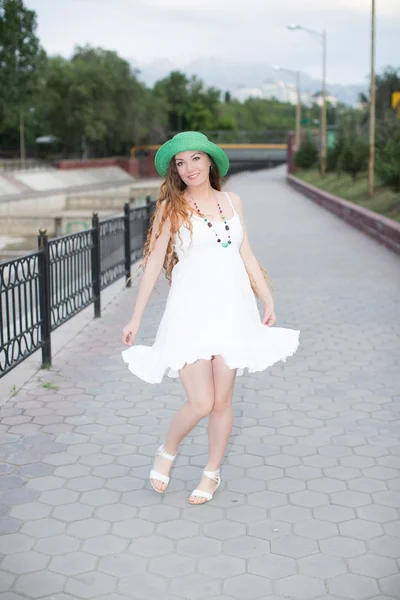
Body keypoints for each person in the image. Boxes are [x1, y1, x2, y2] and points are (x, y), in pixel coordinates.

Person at [121, 131, 300, 505]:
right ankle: (166, 452)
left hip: (232, 310)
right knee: (201, 401)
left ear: (210, 161)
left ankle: (211, 473)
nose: (189, 168)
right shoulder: (173, 208)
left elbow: (245, 253)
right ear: (175, 170)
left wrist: (267, 298)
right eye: (180, 163)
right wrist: (135, 318)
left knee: (222, 402)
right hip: (190, 312)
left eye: (195, 159)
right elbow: (153, 263)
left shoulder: (232, 200)